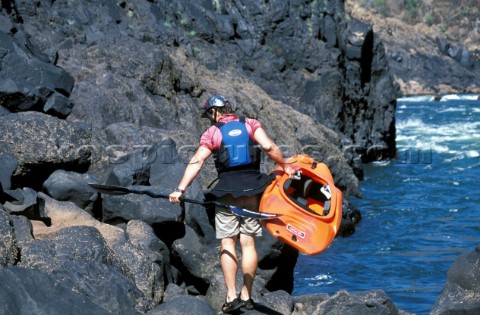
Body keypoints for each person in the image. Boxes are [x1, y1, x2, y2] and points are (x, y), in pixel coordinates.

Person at [169, 95, 295, 313]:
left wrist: (180, 189)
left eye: (209, 114)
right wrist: (285, 166)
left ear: (214, 112)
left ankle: (231, 296)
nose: (209, 118)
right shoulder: (250, 124)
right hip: (254, 190)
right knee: (248, 244)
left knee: (228, 243)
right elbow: (269, 146)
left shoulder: (213, 132)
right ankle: (247, 295)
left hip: (227, 192)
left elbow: (197, 161)